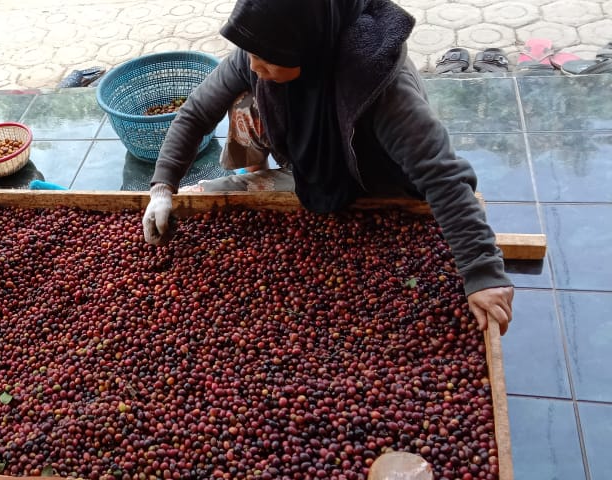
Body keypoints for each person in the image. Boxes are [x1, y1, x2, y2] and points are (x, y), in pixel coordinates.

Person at [142, 0, 514, 334]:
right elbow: (196, 113)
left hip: (372, 175)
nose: (254, 65)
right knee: (244, 98)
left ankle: (307, 183)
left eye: (268, 58)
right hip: (310, 156)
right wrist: (162, 187)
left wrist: (482, 273)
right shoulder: (265, 45)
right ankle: (259, 173)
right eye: (250, 53)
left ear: (310, 43)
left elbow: (441, 174)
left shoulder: (381, 84)